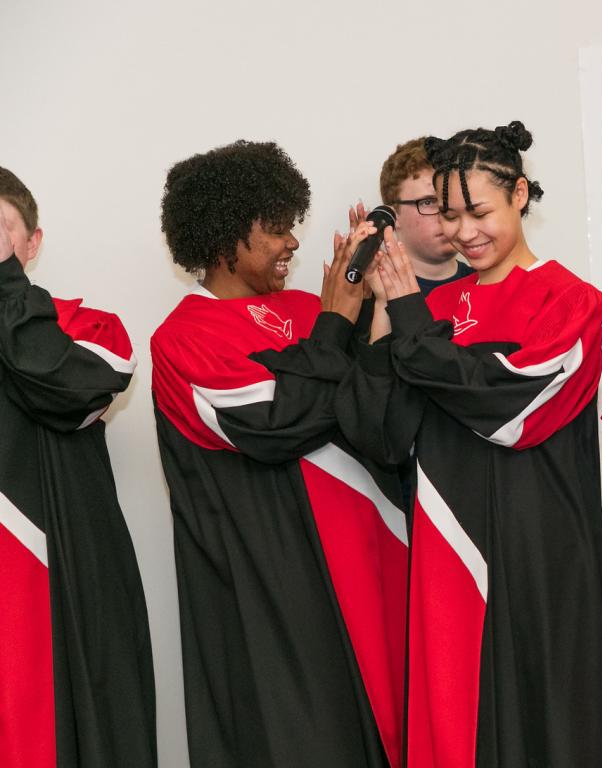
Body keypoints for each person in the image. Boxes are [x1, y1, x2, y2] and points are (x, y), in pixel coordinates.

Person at [351, 121, 602, 767]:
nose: (465, 232)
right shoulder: (431, 305)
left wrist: (417, 328)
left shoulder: (571, 299)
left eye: (481, 212)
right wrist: (387, 314)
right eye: (450, 214)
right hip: (448, 549)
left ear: (520, 194)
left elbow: (513, 410)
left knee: (544, 724)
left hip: (538, 549)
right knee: (457, 728)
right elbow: (381, 434)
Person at [151, 141, 408, 768]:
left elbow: (372, 414)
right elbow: (275, 425)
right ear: (222, 241)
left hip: (370, 561)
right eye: (275, 229)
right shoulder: (184, 338)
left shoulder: (305, 310)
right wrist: (334, 322)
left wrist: (371, 311)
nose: (292, 242)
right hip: (274, 582)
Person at [0, 167, 154, 767]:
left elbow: (67, 390)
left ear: (32, 245)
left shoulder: (89, 328)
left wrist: (6, 287)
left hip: (67, 570)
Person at [378, 137, 471, 295]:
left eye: (449, 199)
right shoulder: (370, 294)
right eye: (428, 202)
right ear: (393, 215)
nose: (446, 213)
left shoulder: (485, 284)